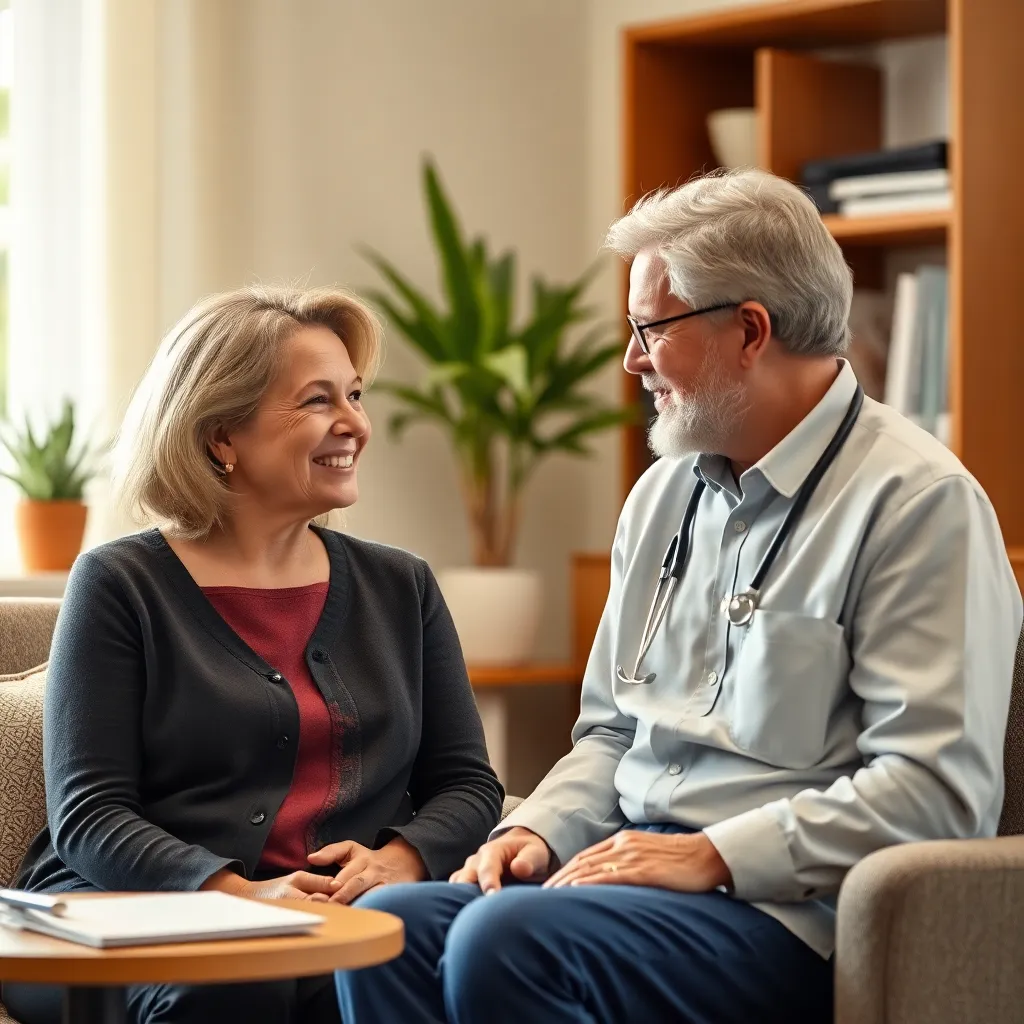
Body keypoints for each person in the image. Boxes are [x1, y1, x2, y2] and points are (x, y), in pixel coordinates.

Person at [334, 169, 1024, 1024]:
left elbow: (938, 792)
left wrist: (715, 855)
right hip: (631, 879)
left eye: (649, 329)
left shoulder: (917, 503)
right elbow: (614, 731)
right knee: (390, 924)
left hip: (789, 912)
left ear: (750, 330)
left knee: (506, 941)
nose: (631, 359)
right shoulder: (664, 496)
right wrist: (536, 831)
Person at [1, 286, 504, 1024]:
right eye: (316, 401)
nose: (355, 424)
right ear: (220, 438)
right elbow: (90, 815)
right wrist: (242, 899)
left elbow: (466, 783)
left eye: (356, 395)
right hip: (134, 915)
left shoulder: (403, 585)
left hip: (342, 916)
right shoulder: (120, 583)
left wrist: (397, 863)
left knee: (407, 965)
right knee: (242, 986)